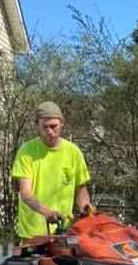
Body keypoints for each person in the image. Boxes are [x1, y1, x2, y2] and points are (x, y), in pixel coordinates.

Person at [12, 101, 92, 239]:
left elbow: (80, 189)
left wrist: (85, 206)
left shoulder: (73, 152)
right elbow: (25, 193)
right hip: (33, 234)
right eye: (45, 127)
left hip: (63, 232)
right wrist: (46, 212)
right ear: (37, 125)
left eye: (53, 126)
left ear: (62, 123)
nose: (49, 131)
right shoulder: (26, 151)